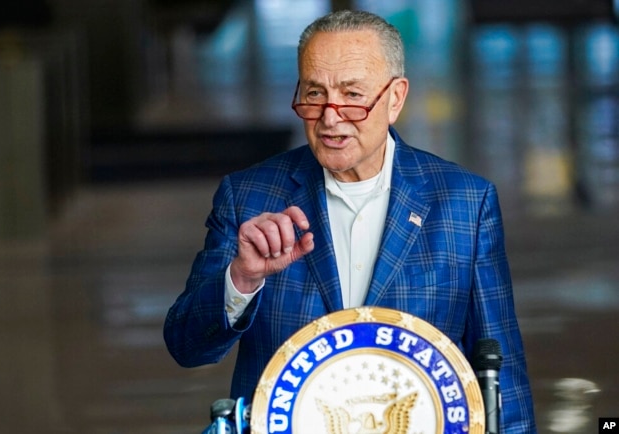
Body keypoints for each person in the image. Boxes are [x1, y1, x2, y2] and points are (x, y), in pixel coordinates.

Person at [164, 9, 536, 433]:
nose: (329, 116)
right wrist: (242, 279)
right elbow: (186, 345)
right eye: (314, 93)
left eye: (353, 95)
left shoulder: (465, 204)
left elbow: (502, 378)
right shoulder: (248, 197)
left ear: (395, 98)